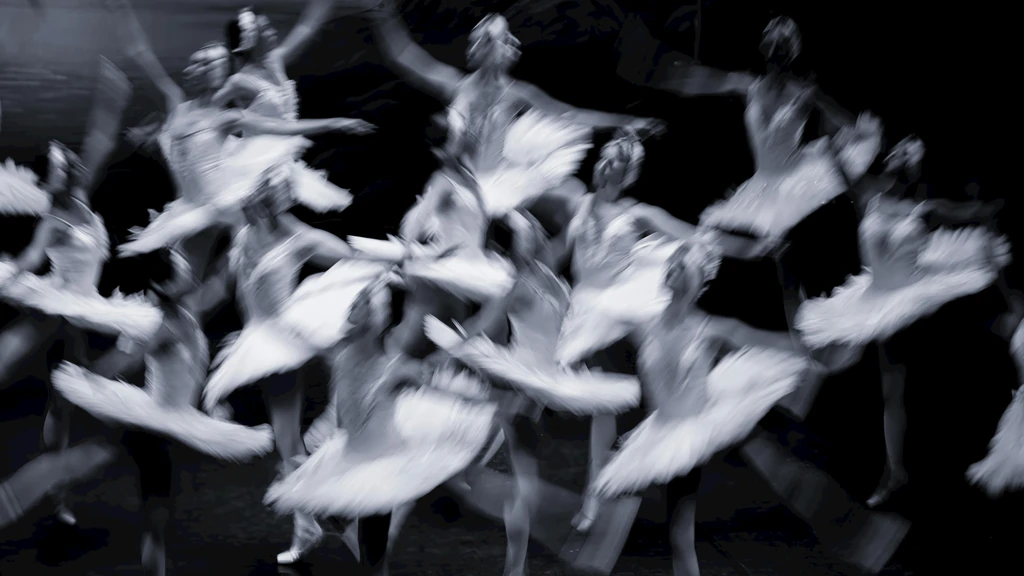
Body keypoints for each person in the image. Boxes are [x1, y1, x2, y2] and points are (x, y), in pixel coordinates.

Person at [0, 247, 275, 576]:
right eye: (182, 270)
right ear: (163, 286)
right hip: (149, 419)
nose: (189, 271)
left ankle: (155, 562)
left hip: (169, 418)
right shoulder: (158, 325)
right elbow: (122, 360)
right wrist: (87, 377)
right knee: (87, 466)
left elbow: (216, 288)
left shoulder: (185, 309)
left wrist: (237, 249)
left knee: (154, 492)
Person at [551, 134, 776, 531]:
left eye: (615, 162)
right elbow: (554, 240)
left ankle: (683, 444)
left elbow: (696, 238)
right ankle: (595, 496)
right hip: (590, 313)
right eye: (603, 158)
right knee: (603, 407)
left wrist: (750, 249)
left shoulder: (638, 213)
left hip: (629, 304)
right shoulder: (577, 202)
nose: (605, 166)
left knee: (662, 392)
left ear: (627, 174)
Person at [105, 0, 374, 323]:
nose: (211, 68)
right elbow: (145, 58)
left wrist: (333, 123)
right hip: (202, 199)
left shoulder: (230, 109)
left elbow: (278, 127)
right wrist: (122, 14)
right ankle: (174, 317)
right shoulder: (192, 104)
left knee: (266, 243)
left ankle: (284, 299)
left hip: (230, 191)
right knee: (184, 274)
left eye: (215, 63)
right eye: (203, 63)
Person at [423, 209, 642, 576]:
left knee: (595, 416)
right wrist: (446, 352)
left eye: (536, 226)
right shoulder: (516, 285)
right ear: (515, 245)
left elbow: (568, 253)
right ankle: (515, 562)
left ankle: (581, 502)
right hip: (524, 378)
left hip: (553, 375)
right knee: (520, 478)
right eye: (528, 231)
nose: (538, 231)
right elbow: (483, 324)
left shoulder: (546, 271)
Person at [592, 234, 822, 576]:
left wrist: (790, 286)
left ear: (699, 282)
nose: (672, 268)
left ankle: (797, 477)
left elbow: (777, 345)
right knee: (660, 524)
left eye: (682, 265)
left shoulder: (710, 329)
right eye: (673, 262)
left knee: (679, 532)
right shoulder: (644, 324)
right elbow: (602, 313)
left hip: (692, 431)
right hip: (660, 430)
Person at [0, 59, 159, 526]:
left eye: (63, 163)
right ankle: (57, 492)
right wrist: (9, 277)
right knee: (63, 399)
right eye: (55, 167)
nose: (63, 169)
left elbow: (100, 139)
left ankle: (63, 487)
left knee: (72, 394)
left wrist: (112, 97)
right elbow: (32, 256)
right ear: (50, 180)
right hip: (67, 307)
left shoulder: (82, 197)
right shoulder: (52, 220)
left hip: (90, 303)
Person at [265, 275, 500, 576]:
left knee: (372, 558)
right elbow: (310, 345)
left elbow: (434, 384)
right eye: (355, 301)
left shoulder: (391, 367)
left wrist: (473, 397)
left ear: (375, 316)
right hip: (349, 454)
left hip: (379, 466)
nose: (352, 307)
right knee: (324, 505)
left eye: (361, 303)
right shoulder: (342, 353)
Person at [198, 166, 370, 564]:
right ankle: (313, 523)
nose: (263, 199)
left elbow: (353, 258)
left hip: (281, 347)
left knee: (289, 442)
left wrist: (398, 260)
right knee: (287, 444)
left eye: (273, 194)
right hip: (251, 344)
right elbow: (226, 282)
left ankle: (337, 524)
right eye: (262, 192)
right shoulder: (242, 233)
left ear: (281, 200)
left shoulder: (300, 238)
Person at [217, 2, 364, 213]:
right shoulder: (239, 82)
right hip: (258, 161)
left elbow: (306, 27)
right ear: (250, 40)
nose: (273, 32)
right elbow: (207, 111)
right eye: (265, 29)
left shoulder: (275, 60)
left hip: (286, 153)